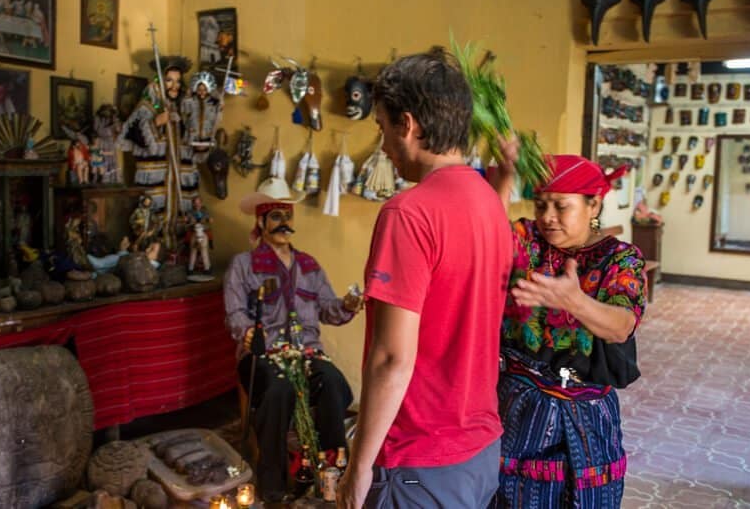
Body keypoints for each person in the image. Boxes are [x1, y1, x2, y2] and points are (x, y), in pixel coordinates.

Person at [337, 51, 513, 509]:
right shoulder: (490, 202)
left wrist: (358, 467)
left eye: (381, 128)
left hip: (420, 459)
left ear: (409, 125)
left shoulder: (408, 213)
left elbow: (392, 358)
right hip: (479, 449)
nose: (384, 146)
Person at [487, 147, 646, 508]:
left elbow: (622, 327)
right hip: (518, 407)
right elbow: (488, 235)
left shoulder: (621, 259)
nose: (548, 217)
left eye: (562, 206)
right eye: (541, 204)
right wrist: (507, 175)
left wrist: (576, 302)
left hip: (587, 417)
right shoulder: (527, 241)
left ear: (593, 205)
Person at [224, 177, 363, 504]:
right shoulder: (243, 266)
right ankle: (272, 486)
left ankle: (329, 473)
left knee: (333, 383)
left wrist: (346, 305)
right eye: (275, 216)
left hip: (307, 352)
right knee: (278, 389)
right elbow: (234, 314)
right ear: (260, 221)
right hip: (263, 355)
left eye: (287, 215)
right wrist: (247, 332)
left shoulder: (309, 265)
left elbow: (329, 309)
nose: (284, 222)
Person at [120, 56, 198, 214]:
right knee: (152, 221)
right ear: (160, 82)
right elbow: (131, 136)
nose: (174, 86)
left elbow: (196, 143)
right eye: (169, 80)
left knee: (185, 223)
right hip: (155, 182)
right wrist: (155, 123)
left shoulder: (186, 109)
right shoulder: (146, 106)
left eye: (177, 81)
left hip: (182, 184)